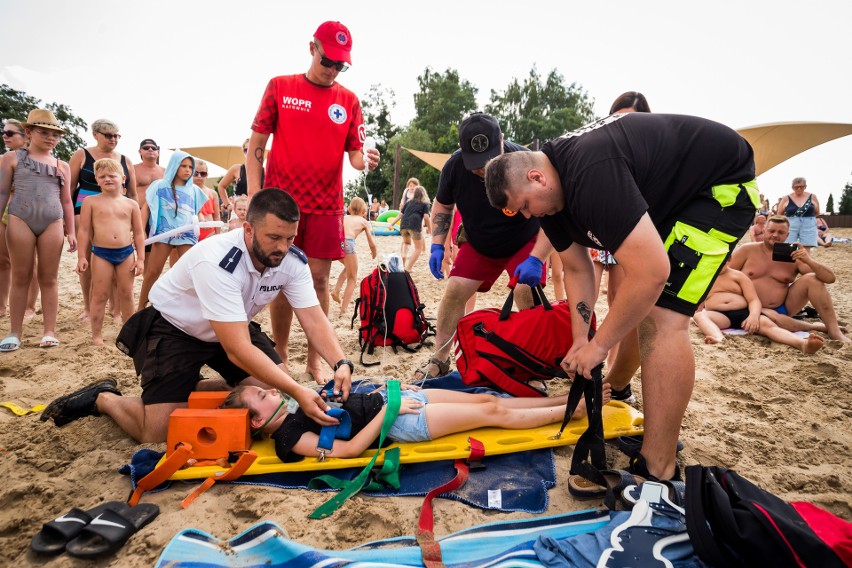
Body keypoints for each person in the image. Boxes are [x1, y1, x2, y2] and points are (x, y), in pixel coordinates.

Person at [485, 112, 760, 481]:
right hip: (671, 198)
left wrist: (598, 346)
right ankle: (619, 386)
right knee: (636, 304)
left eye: (521, 205)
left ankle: (658, 468)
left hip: (718, 188)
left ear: (537, 177)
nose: (525, 215)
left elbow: (652, 273)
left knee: (662, 314)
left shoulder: (590, 174)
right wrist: (580, 340)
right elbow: (579, 269)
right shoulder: (552, 197)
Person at [41, 189, 354, 443]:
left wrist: (341, 363)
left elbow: (313, 319)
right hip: (175, 329)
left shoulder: (290, 260)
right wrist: (298, 389)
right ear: (248, 228)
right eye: (274, 238)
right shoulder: (217, 260)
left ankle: (191, 386)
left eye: (290, 238)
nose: (283, 248)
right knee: (159, 432)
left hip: (231, 326)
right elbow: (238, 350)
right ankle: (104, 398)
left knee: (276, 388)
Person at [246, 20, 380, 384]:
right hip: (281, 204)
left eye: (341, 65)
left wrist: (366, 158)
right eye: (328, 61)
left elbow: (354, 156)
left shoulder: (349, 100)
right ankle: (281, 354)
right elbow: (255, 147)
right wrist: (257, 198)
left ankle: (316, 361)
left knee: (319, 281)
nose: (333, 69)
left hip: (325, 204)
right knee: (279, 281)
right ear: (312, 48)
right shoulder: (280, 86)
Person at [416, 112, 550, 381]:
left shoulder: (527, 161)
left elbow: (550, 208)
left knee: (525, 291)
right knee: (454, 292)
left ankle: (534, 361)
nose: (483, 168)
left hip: (523, 238)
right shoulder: (454, 167)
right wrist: (437, 246)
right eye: (476, 163)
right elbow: (443, 204)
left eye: (490, 158)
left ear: (502, 140)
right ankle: (440, 358)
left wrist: (539, 258)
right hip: (479, 241)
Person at [222, 382, 611, 461]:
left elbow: (347, 401)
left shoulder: (296, 405)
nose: (273, 392)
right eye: (262, 396)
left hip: (394, 398)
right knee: (491, 413)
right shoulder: (289, 436)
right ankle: (570, 412)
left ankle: (566, 397)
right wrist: (391, 410)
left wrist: (382, 390)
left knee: (488, 398)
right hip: (400, 422)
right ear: (256, 422)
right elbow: (349, 450)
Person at [0, 109, 77, 352]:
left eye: (55, 134)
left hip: (52, 221)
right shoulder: (11, 158)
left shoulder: (61, 165)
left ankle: (49, 331)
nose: (51, 138)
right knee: (21, 275)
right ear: (30, 132)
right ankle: (14, 332)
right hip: (19, 218)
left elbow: (67, 201)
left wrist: (71, 230)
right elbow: (2, 192)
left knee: (49, 277)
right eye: (44, 132)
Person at [729, 215, 849, 343]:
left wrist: (808, 260)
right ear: (764, 231)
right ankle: (816, 327)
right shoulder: (747, 250)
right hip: (747, 308)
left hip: (782, 308)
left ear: (787, 235)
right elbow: (724, 274)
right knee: (772, 318)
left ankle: (834, 330)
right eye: (771, 231)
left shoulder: (794, 255)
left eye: (780, 232)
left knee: (812, 279)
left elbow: (830, 278)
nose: (775, 235)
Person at [69, 119, 137, 322]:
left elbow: (132, 194)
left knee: (118, 254)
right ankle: (89, 308)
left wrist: (135, 222)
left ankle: (116, 310)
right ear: (95, 134)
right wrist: (67, 218)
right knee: (89, 259)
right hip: (84, 205)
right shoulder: (82, 154)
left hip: (117, 208)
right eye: (108, 135)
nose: (113, 139)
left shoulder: (125, 160)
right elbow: (70, 188)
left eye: (116, 135)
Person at [76, 158, 145, 345]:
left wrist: (141, 259)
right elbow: (83, 231)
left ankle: (129, 335)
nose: (107, 179)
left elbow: (139, 233)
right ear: (96, 180)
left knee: (127, 293)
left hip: (126, 253)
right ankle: (96, 336)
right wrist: (82, 256)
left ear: (122, 178)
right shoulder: (90, 201)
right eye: (102, 176)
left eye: (112, 175)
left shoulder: (131, 204)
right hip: (100, 253)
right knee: (99, 295)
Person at [693, 264, 824, 355]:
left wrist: (753, 316)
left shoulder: (738, 276)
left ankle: (802, 344)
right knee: (700, 316)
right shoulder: (704, 277)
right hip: (719, 315)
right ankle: (718, 339)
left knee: (770, 326)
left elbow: (753, 300)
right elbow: (697, 301)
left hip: (745, 312)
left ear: (729, 259)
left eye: (722, 259)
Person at [137, 150, 209, 311]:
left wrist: (202, 222)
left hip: (187, 234)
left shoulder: (196, 190)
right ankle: (141, 308)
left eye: (190, 167)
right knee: (153, 271)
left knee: (190, 272)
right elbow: (146, 208)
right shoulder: (159, 185)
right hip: (164, 233)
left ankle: (188, 309)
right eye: (183, 166)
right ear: (174, 166)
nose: (187, 170)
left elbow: (196, 212)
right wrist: (141, 231)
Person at [0, 119, 40, 321]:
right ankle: (1, 305)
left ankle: (30, 307)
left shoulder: (38, 158)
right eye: (4, 132)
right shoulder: (4, 158)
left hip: (28, 213)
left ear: (25, 136)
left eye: (10, 133)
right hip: (5, 211)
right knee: (3, 261)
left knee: (29, 263)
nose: (5, 136)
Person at [331, 197, 376, 316]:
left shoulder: (344, 217)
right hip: (348, 243)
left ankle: (336, 290)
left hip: (336, 243)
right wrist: (374, 251)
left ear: (349, 209)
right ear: (363, 212)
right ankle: (344, 309)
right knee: (353, 278)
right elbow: (371, 243)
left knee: (348, 267)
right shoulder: (363, 221)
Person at [217, 138, 262, 215]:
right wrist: (227, 205)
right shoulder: (237, 169)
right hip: (240, 211)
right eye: (245, 150)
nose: (248, 152)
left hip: (258, 211)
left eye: (251, 149)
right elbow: (221, 186)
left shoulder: (265, 170)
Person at [394, 185, 432, 272]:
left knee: (407, 243)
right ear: (423, 194)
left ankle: (404, 256)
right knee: (418, 248)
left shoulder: (408, 202)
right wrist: (429, 228)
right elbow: (426, 217)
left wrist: (392, 224)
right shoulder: (425, 203)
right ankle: (409, 268)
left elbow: (400, 214)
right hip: (414, 225)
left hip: (403, 225)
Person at [778, 177, 819, 249]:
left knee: (806, 248)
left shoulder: (813, 197)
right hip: (791, 224)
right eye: (796, 187)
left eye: (801, 187)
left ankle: (803, 260)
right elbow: (779, 214)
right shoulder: (786, 198)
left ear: (805, 187)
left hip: (809, 224)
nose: (799, 189)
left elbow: (817, 212)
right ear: (792, 187)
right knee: (788, 246)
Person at [193, 160, 222, 240]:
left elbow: (216, 216)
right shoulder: (186, 191)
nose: (199, 176)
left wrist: (217, 233)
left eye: (203, 174)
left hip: (209, 232)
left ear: (207, 175)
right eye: (196, 173)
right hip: (190, 231)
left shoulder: (212, 193)